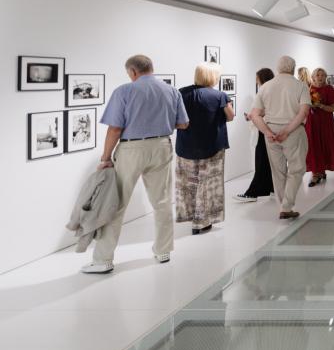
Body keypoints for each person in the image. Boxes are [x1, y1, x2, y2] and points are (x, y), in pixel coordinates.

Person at [81, 54, 189, 274]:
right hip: (161, 146)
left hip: (132, 149)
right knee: (162, 201)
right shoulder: (172, 91)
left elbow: (114, 129)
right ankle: (163, 250)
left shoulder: (124, 91)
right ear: (152, 68)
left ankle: (103, 260)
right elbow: (183, 124)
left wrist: (105, 158)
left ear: (132, 72)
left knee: (116, 204)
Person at [175, 63, 234, 235]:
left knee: (188, 183)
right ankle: (203, 221)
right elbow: (230, 116)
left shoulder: (182, 92)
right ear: (213, 76)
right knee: (208, 184)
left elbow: (174, 117)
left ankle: (190, 216)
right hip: (212, 146)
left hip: (186, 146)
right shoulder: (219, 95)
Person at [251, 55, 311, 220]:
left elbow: (254, 115)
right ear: (293, 68)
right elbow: (303, 112)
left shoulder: (266, 87)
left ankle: (284, 205)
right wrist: (287, 130)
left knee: (278, 172)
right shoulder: (300, 86)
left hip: (271, 133)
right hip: (293, 131)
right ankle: (286, 206)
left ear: (278, 68)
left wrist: (267, 132)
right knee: (297, 168)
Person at [236, 68, 276, 202]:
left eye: (257, 78)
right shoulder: (273, 90)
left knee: (262, 161)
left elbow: (265, 110)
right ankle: (272, 188)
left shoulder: (264, 90)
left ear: (261, 78)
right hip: (270, 128)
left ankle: (253, 193)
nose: (256, 81)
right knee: (269, 161)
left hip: (264, 129)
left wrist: (252, 116)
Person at [306, 67, 334, 185]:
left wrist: (320, 106)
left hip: (325, 122)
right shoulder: (308, 89)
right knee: (313, 145)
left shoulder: (329, 89)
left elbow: (333, 108)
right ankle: (315, 173)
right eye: (318, 75)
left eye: (322, 75)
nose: (320, 77)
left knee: (324, 145)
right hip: (312, 122)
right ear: (313, 77)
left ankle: (321, 170)